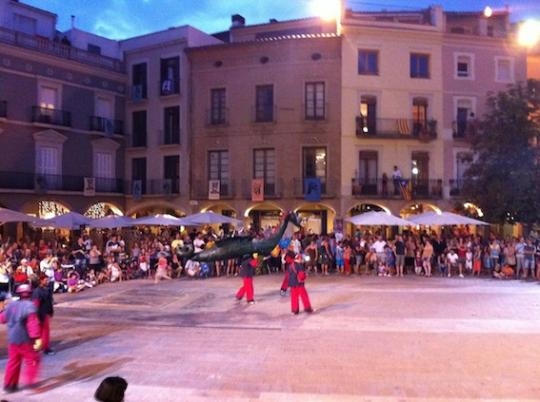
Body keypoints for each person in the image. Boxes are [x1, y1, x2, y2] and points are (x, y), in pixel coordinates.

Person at [0, 284, 42, 394]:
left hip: (12, 339)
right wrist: (36, 338)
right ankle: (29, 383)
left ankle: (9, 385)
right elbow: (32, 324)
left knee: (13, 362)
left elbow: (2, 319)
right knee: (33, 360)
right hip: (25, 340)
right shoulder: (30, 306)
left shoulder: (11, 305)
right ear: (30, 293)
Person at [32, 275, 55, 355]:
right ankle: (45, 348)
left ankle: (41, 347)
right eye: (45, 280)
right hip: (41, 314)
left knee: (43, 332)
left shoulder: (46, 290)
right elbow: (36, 305)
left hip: (45, 313)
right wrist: (36, 316)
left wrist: (51, 311)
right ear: (41, 281)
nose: (47, 281)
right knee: (43, 332)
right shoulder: (37, 291)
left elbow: (49, 303)